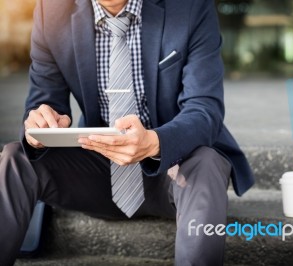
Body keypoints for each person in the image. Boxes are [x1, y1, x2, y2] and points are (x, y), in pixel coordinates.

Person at [0, 0, 254, 265]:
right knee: (16, 158)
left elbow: (204, 110)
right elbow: (45, 101)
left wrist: (154, 143)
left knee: (207, 163)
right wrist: (40, 123)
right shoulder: (51, 11)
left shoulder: (191, 8)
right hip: (96, 173)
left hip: (172, 170)